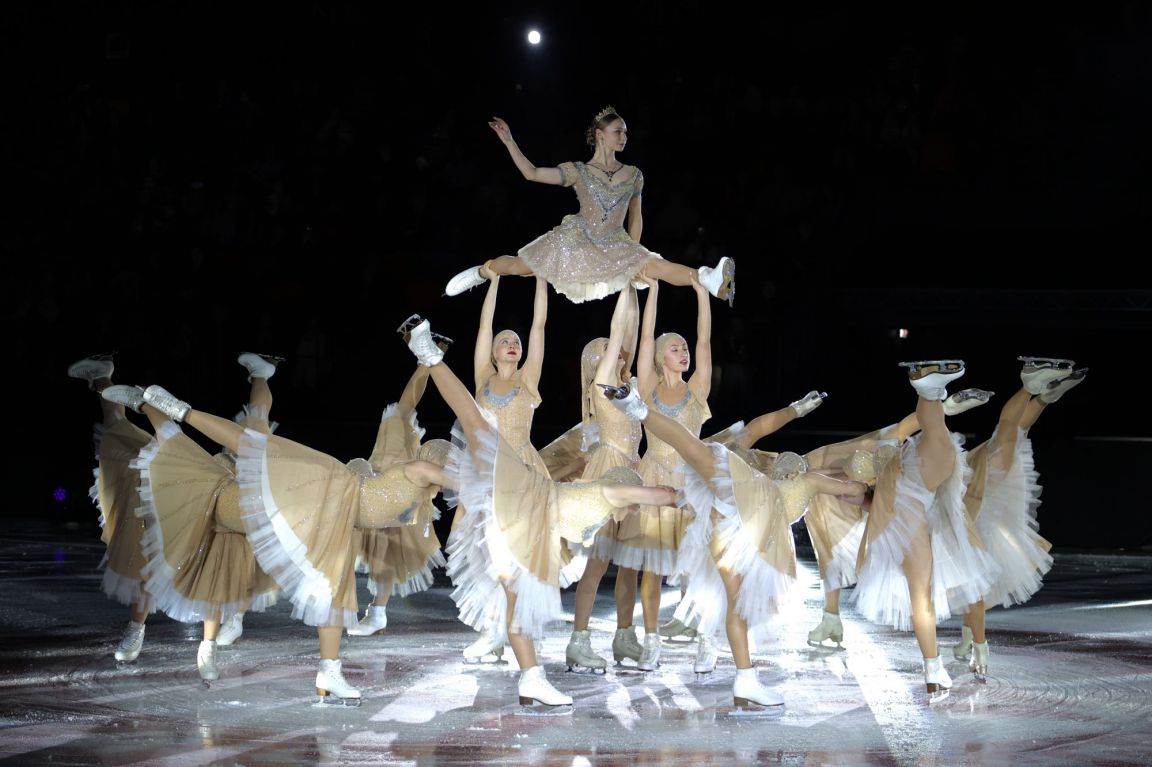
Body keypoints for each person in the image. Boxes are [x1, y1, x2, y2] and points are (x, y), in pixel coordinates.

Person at [101, 359, 451, 704]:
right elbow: (456, 466)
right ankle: (174, 409)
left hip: (327, 513)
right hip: (317, 495)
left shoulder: (415, 481)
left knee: (332, 587)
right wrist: (433, 366)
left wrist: (426, 365)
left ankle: (327, 670)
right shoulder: (420, 470)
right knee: (249, 447)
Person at [399, 313, 680, 710]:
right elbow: (635, 492)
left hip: (523, 501)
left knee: (516, 591)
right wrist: (665, 495)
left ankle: (531, 675)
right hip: (523, 489)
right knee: (475, 423)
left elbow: (635, 493)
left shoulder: (600, 492)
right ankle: (430, 356)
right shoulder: (603, 491)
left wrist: (660, 495)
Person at [598, 380, 869, 709]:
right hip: (732, 514)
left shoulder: (807, 481)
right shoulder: (761, 471)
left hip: (742, 530)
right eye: (783, 463)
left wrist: (870, 495)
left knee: (736, 605)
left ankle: (744, 677)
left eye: (793, 464)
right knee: (697, 455)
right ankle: (745, 678)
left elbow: (851, 491)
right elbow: (758, 428)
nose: (787, 464)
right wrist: (795, 410)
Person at [100, 353, 283, 681]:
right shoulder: (208, 479)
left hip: (237, 498)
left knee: (219, 569)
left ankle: (208, 645)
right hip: (212, 487)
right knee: (154, 547)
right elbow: (177, 445)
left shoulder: (256, 489)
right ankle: (136, 627)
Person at [443, 107, 736, 306]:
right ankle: (482, 271)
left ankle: (707, 278)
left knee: (657, 266)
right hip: (576, 239)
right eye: (618, 131)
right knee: (521, 267)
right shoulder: (578, 171)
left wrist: (631, 256)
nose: (624, 137)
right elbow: (531, 173)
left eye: (625, 132)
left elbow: (636, 216)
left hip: (616, 242)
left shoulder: (634, 175)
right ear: (600, 134)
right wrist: (509, 141)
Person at [849, 360, 1000, 702]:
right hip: (911, 495)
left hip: (909, 494)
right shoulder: (895, 494)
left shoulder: (889, 494)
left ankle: (936, 668)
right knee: (928, 595)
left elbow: (868, 497)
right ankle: (930, 390)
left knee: (925, 596)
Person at [444, 273, 557, 663]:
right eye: (504, 341)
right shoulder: (482, 380)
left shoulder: (528, 381)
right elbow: (483, 326)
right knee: (484, 555)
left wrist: (541, 279)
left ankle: (519, 628)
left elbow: (539, 326)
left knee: (516, 554)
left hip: (522, 472)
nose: (512, 344)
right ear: (493, 352)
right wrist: (492, 281)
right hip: (486, 474)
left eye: (516, 342)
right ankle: (492, 630)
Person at [951, 357, 1087, 679]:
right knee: (1012, 431)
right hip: (992, 497)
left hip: (987, 494)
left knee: (1010, 431)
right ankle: (1041, 395)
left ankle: (1032, 387)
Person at [609, 273, 713, 671]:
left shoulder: (697, 389)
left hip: (690, 483)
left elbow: (704, 341)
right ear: (658, 358)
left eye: (683, 348)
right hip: (652, 479)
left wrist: (701, 293)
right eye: (675, 348)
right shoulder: (648, 387)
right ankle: (651, 642)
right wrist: (653, 289)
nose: (683, 352)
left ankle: (705, 640)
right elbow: (646, 335)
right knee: (651, 568)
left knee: (696, 568)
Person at [564, 286, 648, 673]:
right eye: (605, 349)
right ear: (596, 360)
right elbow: (619, 333)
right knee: (598, 564)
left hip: (633, 471)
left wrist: (633, 288)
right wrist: (622, 283)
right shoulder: (601, 386)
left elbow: (630, 333)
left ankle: (624, 637)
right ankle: (578, 641)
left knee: (630, 564)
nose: (614, 350)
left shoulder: (630, 389)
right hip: (608, 472)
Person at [347, 362, 453, 638]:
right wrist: (425, 365)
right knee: (363, 549)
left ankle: (375, 613)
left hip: (389, 508)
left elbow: (408, 403)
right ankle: (363, 611)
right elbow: (407, 402)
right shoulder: (403, 446)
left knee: (385, 552)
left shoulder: (423, 472)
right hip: (367, 499)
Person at [68, 352, 158, 663]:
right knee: (116, 430)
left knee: (116, 426)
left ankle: (102, 378)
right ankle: (136, 627)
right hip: (150, 476)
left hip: (166, 482)